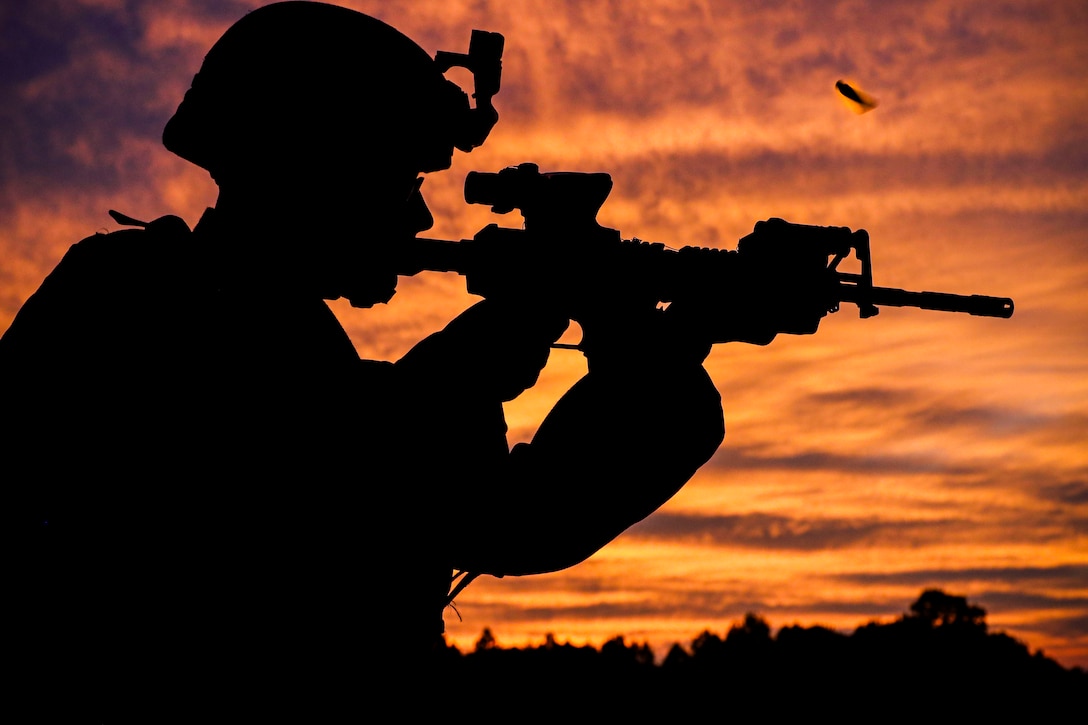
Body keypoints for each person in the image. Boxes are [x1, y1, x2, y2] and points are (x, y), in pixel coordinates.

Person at [2, 1, 824, 717]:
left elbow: (474, 493)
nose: (423, 215)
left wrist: (662, 336)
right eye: (401, 180)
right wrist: (545, 322)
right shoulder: (131, 298)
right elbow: (398, 487)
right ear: (318, 169)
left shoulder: (271, 332)